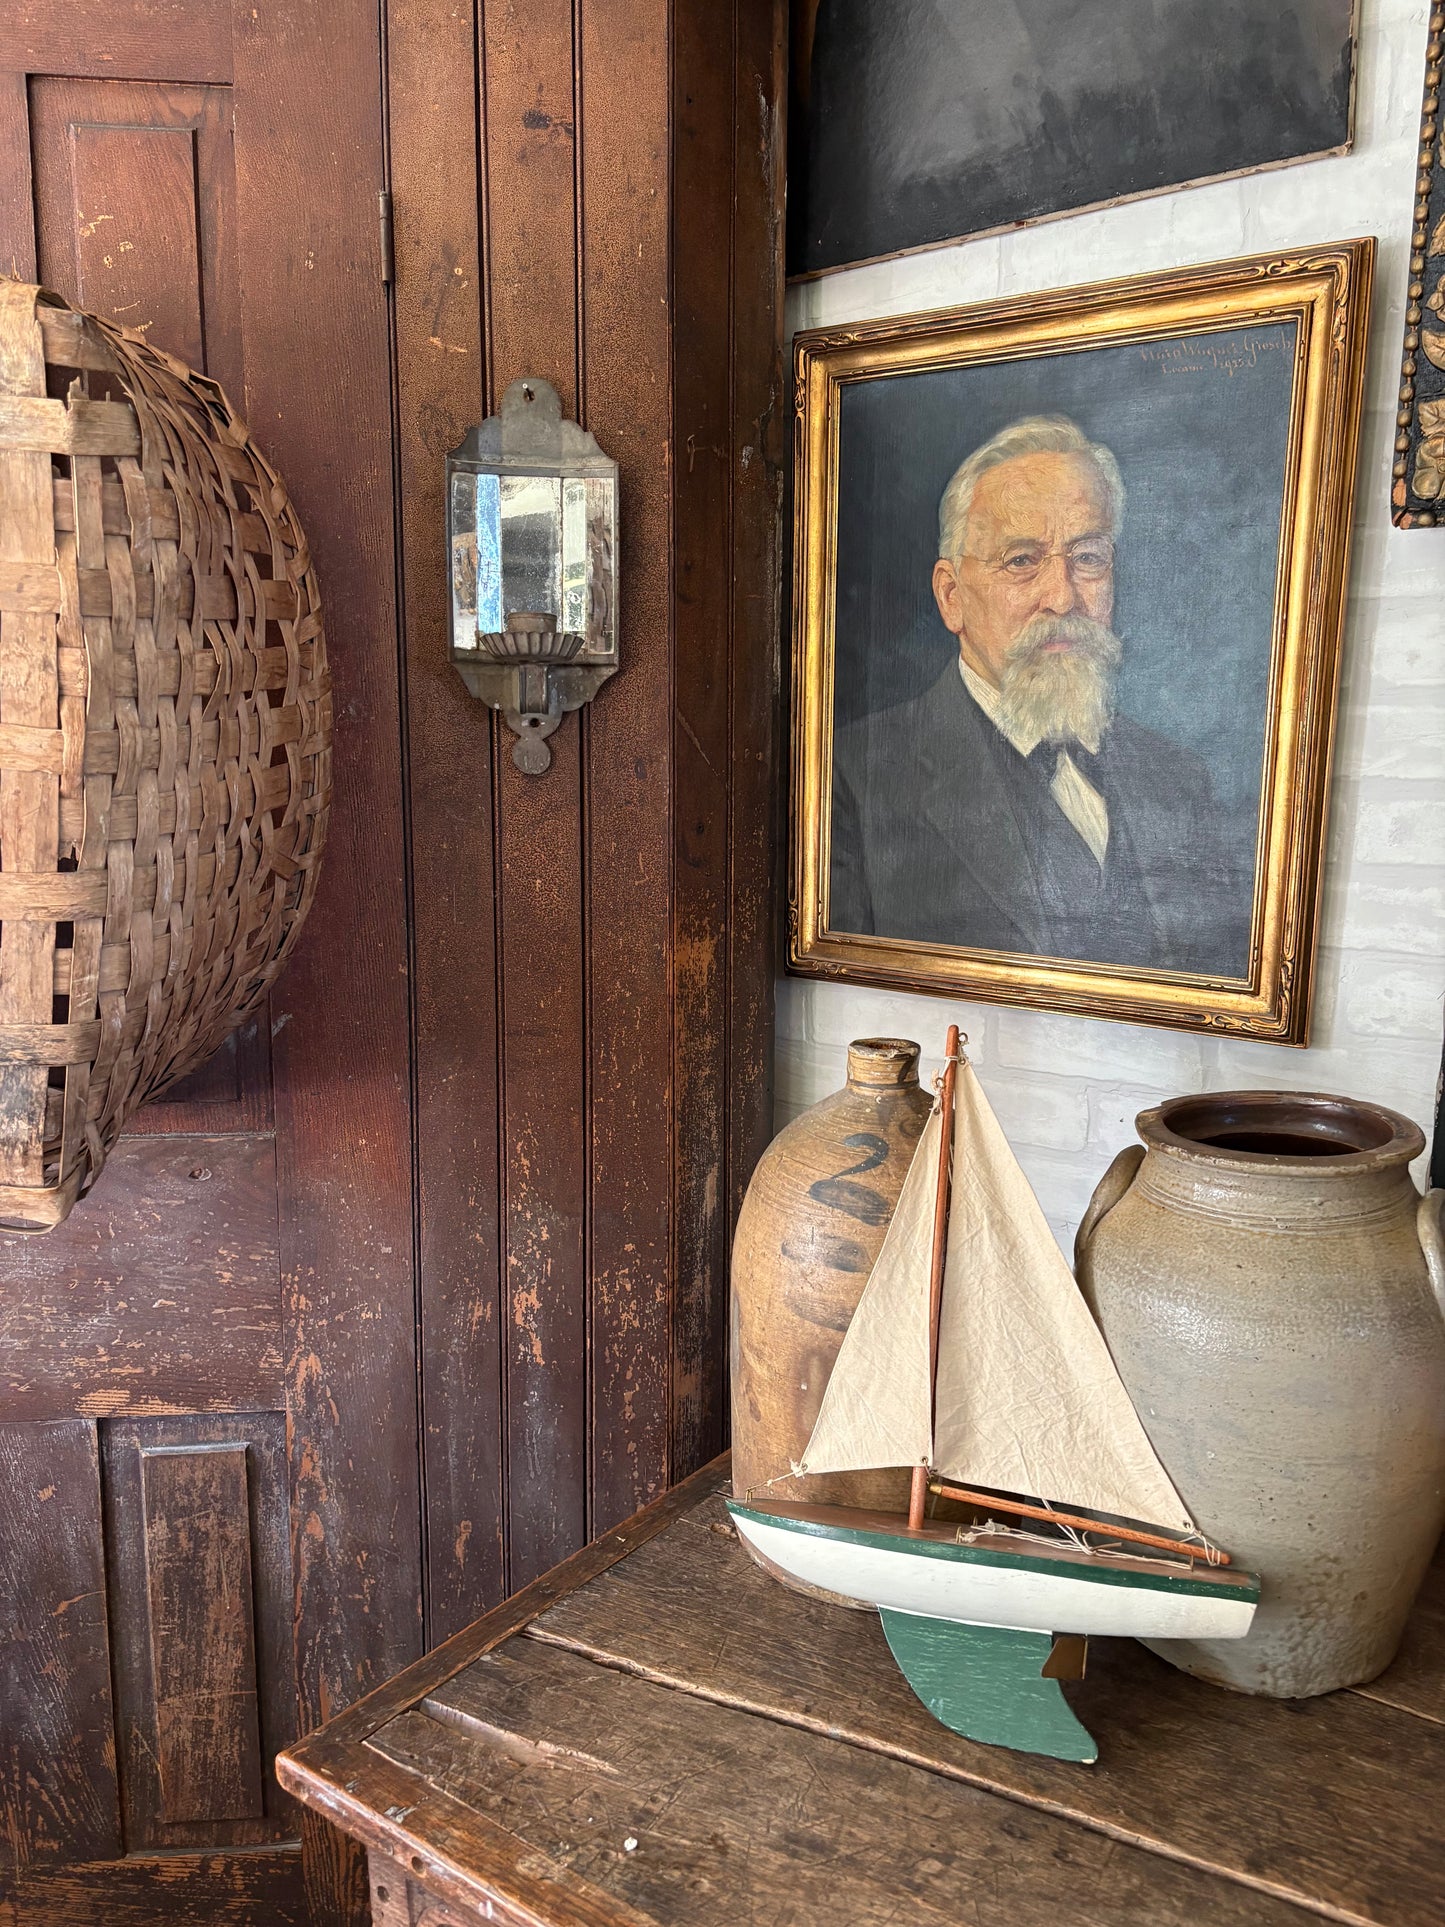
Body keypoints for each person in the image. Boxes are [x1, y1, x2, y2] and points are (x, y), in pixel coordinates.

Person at [828, 414, 1249, 975]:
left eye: (1088, 557)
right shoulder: (851, 776)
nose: (1063, 597)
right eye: (1021, 560)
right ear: (951, 596)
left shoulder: (1178, 779)